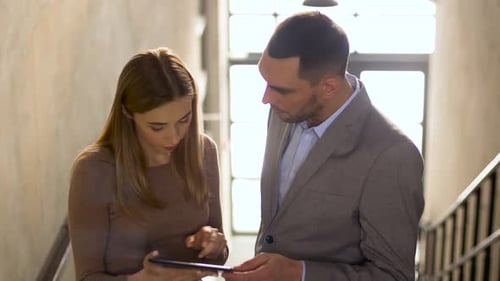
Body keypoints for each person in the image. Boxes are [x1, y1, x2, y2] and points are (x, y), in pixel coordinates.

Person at [222, 11, 424, 281]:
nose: (265, 98)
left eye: (280, 89)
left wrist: (298, 273)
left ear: (328, 87)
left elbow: (393, 276)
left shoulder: (391, 155)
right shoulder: (284, 110)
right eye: (266, 82)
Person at [68, 47, 228, 281]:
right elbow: (87, 276)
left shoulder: (204, 151)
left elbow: (218, 259)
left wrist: (215, 244)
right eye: (157, 127)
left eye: (184, 120)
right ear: (127, 114)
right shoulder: (94, 170)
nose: (174, 137)